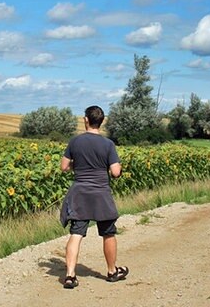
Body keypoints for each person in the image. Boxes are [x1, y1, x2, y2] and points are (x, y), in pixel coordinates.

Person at [59, 105, 129, 289]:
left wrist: (78, 166)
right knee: (108, 233)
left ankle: (70, 275)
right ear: (102, 121)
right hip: (101, 195)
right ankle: (112, 271)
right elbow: (115, 172)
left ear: (86, 120)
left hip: (80, 194)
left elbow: (64, 167)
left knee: (76, 233)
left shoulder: (75, 142)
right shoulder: (108, 144)